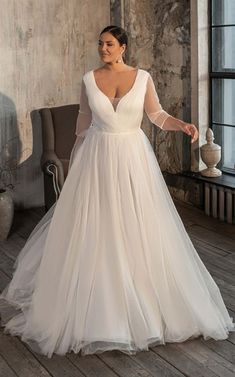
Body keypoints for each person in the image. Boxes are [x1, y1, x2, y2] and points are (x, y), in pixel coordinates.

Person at [0, 25, 234, 358]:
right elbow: (83, 122)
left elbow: (156, 115)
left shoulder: (143, 78)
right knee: (98, 226)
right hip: (97, 156)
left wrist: (182, 125)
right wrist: (75, 161)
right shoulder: (88, 78)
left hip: (132, 157)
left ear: (123, 47)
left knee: (137, 223)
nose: (103, 49)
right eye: (100, 44)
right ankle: (99, 299)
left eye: (109, 44)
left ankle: (141, 296)